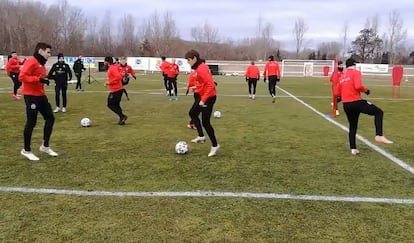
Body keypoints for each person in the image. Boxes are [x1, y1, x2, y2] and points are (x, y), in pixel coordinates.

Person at [334, 58, 393, 156]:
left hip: (346, 104)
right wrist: (366, 90)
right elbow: (358, 86)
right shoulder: (356, 72)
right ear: (354, 65)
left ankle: (353, 149)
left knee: (352, 126)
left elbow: (337, 92)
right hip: (356, 102)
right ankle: (379, 135)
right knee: (378, 112)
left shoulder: (342, 76)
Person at [19, 42, 58, 161]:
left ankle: (45, 146)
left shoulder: (41, 64)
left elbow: (40, 78)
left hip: (41, 96)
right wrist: (38, 79)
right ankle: (26, 150)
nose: (49, 54)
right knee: (31, 122)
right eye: (48, 52)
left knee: (50, 118)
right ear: (40, 51)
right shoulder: (31, 61)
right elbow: (22, 76)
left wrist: (47, 79)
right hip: (31, 96)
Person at [185, 49, 219, 157]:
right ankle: (201, 136)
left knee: (206, 122)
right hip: (203, 95)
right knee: (193, 113)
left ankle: (215, 145)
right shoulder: (199, 68)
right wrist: (197, 89)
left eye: (189, 60)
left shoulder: (201, 69)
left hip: (209, 97)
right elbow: (204, 84)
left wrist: (203, 99)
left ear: (195, 58)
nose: (188, 62)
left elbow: (211, 85)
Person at [104, 56, 128, 125]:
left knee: (110, 104)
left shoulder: (112, 68)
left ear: (107, 62)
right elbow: (120, 74)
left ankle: (122, 116)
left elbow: (118, 77)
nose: (104, 63)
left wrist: (109, 83)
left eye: (105, 61)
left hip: (116, 90)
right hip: (118, 89)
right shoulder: (114, 67)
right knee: (116, 105)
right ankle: (122, 119)